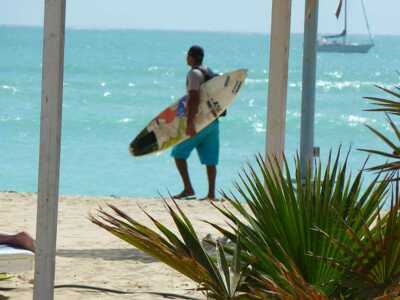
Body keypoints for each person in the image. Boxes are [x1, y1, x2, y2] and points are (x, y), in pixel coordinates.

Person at [171, 45, 220, 201]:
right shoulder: (209, 72)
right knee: (210, 160)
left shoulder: (194, 73)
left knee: (178, 153)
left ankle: (188, 188)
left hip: (199, 122)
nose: (186, 58)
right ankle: (211, 194)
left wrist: (190, 122)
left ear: (191, 57)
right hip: (213, 121)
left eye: (188, 55)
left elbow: (193, 98)